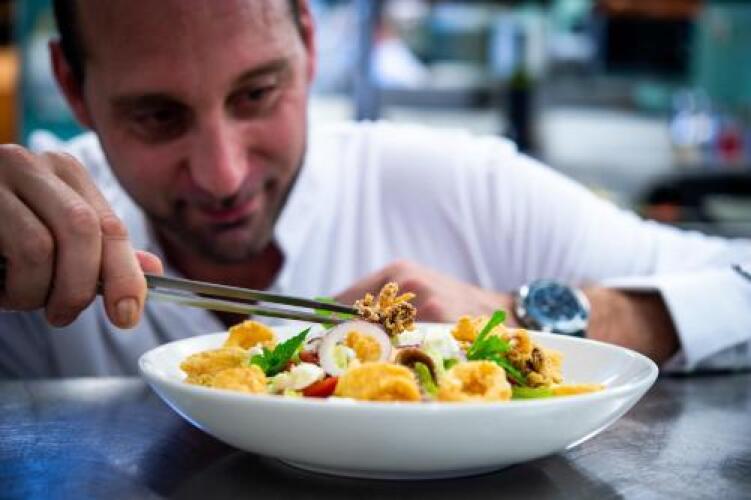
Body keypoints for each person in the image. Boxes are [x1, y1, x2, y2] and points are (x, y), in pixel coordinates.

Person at [0, 0, 749, 378]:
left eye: (258, 94)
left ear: (309, 44)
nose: (223, 174)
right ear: (73, 87)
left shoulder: (459, 187)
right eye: (157, 117)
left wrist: (529, 320)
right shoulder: (35, 230)